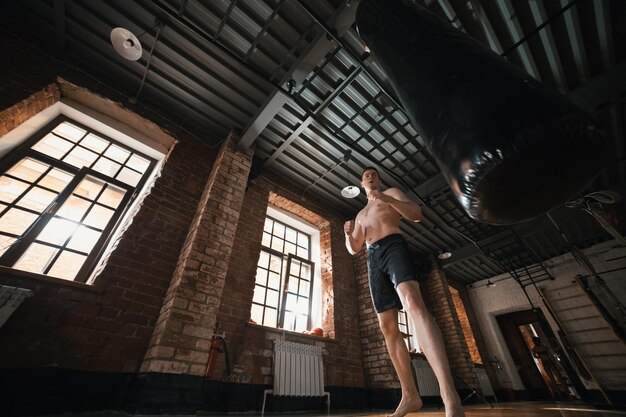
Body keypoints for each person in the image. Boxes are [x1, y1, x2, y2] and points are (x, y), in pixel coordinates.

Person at [344, 167, 465, 417]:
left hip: (393, 246)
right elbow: (354, 248)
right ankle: (410, 395)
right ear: (360, 182)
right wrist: (347, 234)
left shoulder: (391, 192)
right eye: (366, 175)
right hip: (372, 258)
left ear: (379, 180)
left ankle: (449, 394)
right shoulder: (360, 214)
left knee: (413, 304)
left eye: (374, 174)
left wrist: (387, 199)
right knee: (387, 326)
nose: (370, 176)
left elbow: (416, 214)